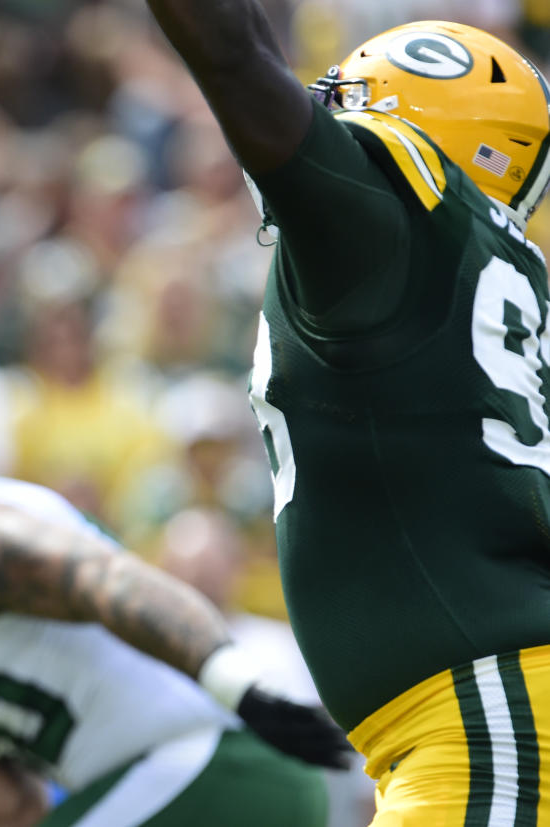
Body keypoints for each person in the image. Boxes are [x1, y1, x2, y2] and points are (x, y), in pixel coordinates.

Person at [144, 7, 550, 823]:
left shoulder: (388, 229)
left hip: (484, 721)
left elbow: (235, 60)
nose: (320, 116)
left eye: (344, 99)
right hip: (471, 717)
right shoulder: (459, 258)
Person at [0, 469, 354, 827]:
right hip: (173, 792)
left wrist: (240, 690)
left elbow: (108, 580)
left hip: (216, 758)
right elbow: (10, 811)